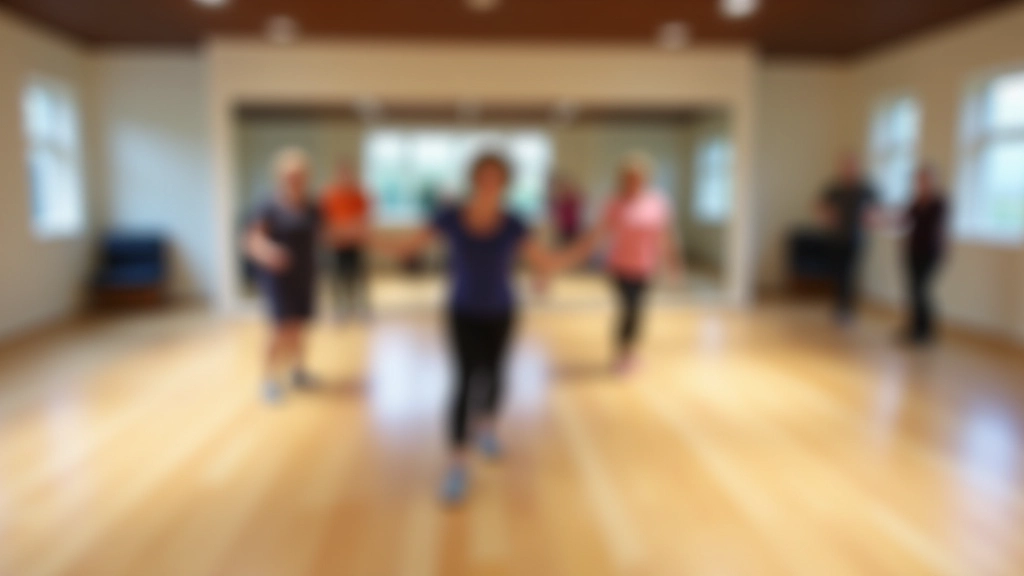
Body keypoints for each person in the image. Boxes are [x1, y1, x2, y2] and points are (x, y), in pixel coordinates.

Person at [378, 152, 587, 505]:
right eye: (483, 176)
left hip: (502, 311)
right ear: (474, 179)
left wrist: (592, 241)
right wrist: (360, 236)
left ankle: (487, 427)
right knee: (463, 380)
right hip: (462, 311)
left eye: (497, 177)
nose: (489, 183)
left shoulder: (513, 223)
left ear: (505, 183)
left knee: (495, 374)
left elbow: (547, 262)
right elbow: (406, 248)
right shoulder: (450, 218)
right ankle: (457, 464)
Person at [244, 148, 323, 404]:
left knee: (299, 326)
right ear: (279, 176)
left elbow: (325, 235)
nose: (295, 179)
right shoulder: (269, 205)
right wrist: (269, 253)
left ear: (307, 176)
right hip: (278, 278)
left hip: (305, 274)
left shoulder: (312, 206)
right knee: (280, 329)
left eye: (299, 174)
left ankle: (298, 372)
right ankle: (268, 380)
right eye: (289, 175)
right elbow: (252, 241)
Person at [591, 153, 680, 374]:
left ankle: (629, 352)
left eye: (638, 177)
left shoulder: (658, 202)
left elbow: (666, 235)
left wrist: (673, 263)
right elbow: (599, 233)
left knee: (638, 311)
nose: (633, 181)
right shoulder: (614, 203)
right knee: (628, 308)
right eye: (629, 177)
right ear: (622, 178)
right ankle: (623, 353)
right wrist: (579, 257)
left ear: (646, 178)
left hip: (645, 267)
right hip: (619, 266)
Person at [818, 154, 880, 325]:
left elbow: (876, 210)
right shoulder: (835, 189)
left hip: (856, 240)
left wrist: (871, 218)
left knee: (849, 274)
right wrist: (827, 216)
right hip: (836, 238)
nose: (848, 170)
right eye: (846, 167)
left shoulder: (866, 189)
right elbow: (821, 206)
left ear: (857, 169)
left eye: (852, 167)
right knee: (838, 273)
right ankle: (839, 307)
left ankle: (845, 309)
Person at [900, 164, 948, 345]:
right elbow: (905, 220)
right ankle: (915, 328)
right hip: (913, 252)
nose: (921, 183)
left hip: (930, 253)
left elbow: (937, 229)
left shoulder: (940, 203)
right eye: (919, 180)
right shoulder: (915, 202)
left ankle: (926, 332)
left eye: (925, 179)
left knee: (922, 290)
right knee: (913, 290)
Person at [321, 161, 373, 319]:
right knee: (338, 277)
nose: (345, 177)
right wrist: (337, 232)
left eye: (347, 173)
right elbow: (325, 220)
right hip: (337, 245)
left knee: (357, 276)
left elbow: (364, 218)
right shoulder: (330, 195)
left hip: (355, 243)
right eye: (342, 173)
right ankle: (339, 309)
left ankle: (359, 306)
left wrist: (354, 230)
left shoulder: (358, 195)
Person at [548, 174, 584, 247]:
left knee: (571, 247)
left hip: (573, 228)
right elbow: (554, 214)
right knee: (561, 246)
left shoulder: (572, 197)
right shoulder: (556, 199)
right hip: (561, 228)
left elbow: (580, 203)